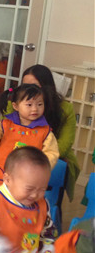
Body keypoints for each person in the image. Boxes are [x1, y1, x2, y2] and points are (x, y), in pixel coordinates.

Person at [20, 64, 80, 203]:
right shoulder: (17, 103)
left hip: (52, 156)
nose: (29, 90)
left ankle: (47, 207)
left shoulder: (65, 108)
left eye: (34, 86)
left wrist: (35, 157)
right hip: (21, 152)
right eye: (25, 86)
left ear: (47, 87)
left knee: (56, 167)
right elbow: (8, 135)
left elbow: (64, 145)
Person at [0, 84, 59, 189]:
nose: (35, 109)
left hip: (27, 181)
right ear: (16, 106)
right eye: (29, 105)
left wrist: (39, 167)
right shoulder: (5, 125)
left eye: (40, 104)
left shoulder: (45, 132)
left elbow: (52, 153)